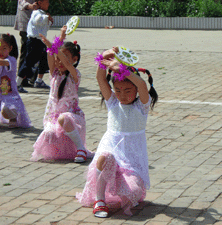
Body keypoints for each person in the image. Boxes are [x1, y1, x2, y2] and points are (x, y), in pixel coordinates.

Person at [76, 47, 158, 217]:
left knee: (134, 193)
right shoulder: (112, 102)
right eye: (118, 90)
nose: (122, 95)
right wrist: (104, 58)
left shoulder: (141, 107)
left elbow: (142, 84)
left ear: (135, 91)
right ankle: (99, 200)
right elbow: (100, 78)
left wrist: (122, 69)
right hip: (111, 149)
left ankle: (120, 186)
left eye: (128, 91)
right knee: (105, 157)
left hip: (131, 160)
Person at [31, 26, 94, 163]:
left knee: (63, 118)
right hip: (52, 115)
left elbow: (64, 61)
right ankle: (70, 150)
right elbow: (51, 55)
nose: (60, 62)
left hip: (71, 117)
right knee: (49, 133)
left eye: (65, 57)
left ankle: (81, 148)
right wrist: (60, 38)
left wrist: (55, 45)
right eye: (58, 58)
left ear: (75, 59)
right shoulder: (54, 73)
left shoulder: (74, 75)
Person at [16, 0, 52, 93]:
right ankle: (17, 83)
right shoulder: (36, 12)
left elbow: (44, 27)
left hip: (41, 41)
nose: (48, 4)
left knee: (44, 59)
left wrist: (50, 21)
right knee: (28, 62)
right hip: (33, 41)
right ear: (40, 3)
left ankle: (38, 80)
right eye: (46, 2)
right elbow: (37, 21)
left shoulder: (42, 13)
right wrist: (46, 17)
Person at [0, 33, 31, 128]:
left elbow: (3, 63)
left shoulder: (11, 60)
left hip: (9, 93)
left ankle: (14, 117)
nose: (1, 51)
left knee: (7, 108)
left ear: (10, 48)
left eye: (4, 48)